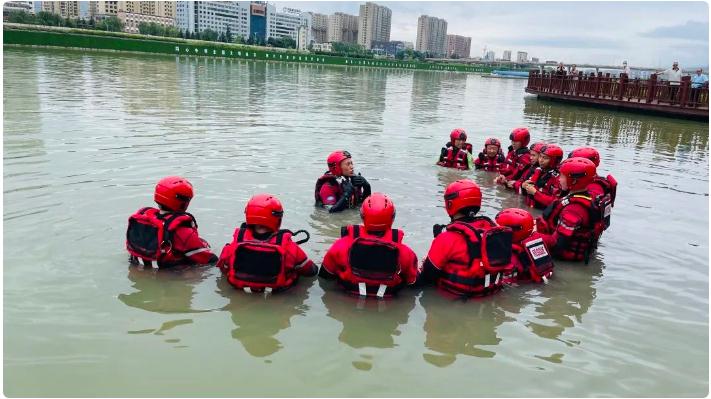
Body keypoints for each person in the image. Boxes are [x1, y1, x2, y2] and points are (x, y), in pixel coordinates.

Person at [421, 180, 514, 297]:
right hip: (492, 294)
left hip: (455, 299)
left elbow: (427, 276)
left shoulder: (446, 238)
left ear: (449, 204)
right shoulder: (493, 231)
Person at [319, 193, 420, 298]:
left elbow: (324, 276)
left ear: (362, 216)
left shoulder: (340, 246)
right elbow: (413, 284)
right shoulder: (406, 253)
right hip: (387, 304)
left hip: (349, 299)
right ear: (392, 218)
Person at [217, 194, 317, 293]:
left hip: (239, 289)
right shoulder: (289, 247)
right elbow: (310, 271)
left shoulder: (236, 242)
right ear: (277, 219)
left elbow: (223, 266)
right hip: (277, 293)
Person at [126, 176, 217, 269]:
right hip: (167, 273)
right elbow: (208, 259)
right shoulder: (183, 231)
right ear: (184, 202)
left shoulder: (142, 216)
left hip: (137, 264)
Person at [536, 158, 610, 263]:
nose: (558, 179)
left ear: (574, 180)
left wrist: (532, 236)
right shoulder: (583, 196)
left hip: (565, 257)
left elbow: (558, 244)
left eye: (562, 176)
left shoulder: (573, 210)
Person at [495, 208, 554, 283]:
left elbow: (506, 283)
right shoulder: (539, 238)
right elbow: (553, 241)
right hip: (545, 278)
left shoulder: (509, 257)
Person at [521, 144, 564, 209]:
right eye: (540, 156)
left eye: (545, 158)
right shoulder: (537, 170)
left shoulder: (558, 178)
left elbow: (555, 202)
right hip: (529, 207)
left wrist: (535, 193)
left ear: (554, 160)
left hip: (541, 212)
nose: (541, 160)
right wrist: (523, 186)